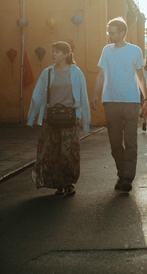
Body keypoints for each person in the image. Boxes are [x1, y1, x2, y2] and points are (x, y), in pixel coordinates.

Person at [90, 17, 147, 193]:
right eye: (109, 32)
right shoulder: (106, 50)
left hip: (130, 101)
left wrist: (146, 99)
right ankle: (122, 173)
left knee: (130, 141)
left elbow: (140, 76)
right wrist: (95, 94)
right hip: (110, 101)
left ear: (123, 33)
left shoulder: (135, 51)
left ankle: (127, 178)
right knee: (115, 142)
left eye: (113, 32)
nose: (110, 35)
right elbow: (101, 74)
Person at [27, 41, 90, 196]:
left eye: (57, 52)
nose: (53, 54)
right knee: (52, 152)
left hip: (70, 118)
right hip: (51, 119)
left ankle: (69, 183)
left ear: (66, 55)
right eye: (53, 51)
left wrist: (86, 122)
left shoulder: (76, 73)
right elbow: (37, 95)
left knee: (69, 152)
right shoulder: (47, 73)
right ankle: (58, 184)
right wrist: (31, 117)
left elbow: (83, 97)